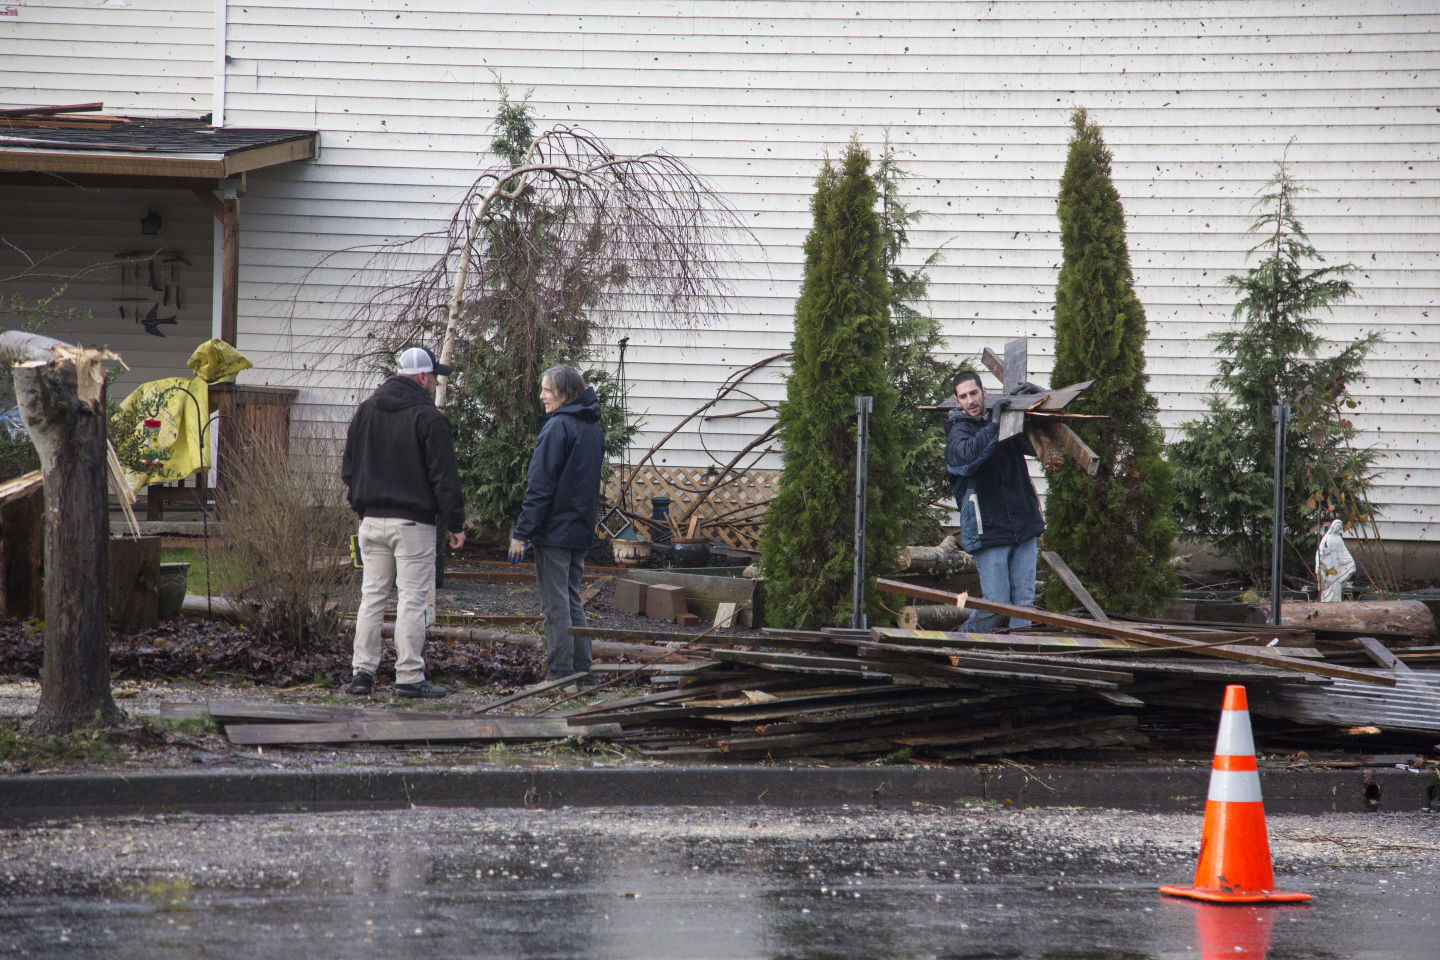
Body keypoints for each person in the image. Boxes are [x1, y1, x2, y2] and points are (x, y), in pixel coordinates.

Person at [341, 345, 466, 698]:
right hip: (412, 525)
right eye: (434, 377)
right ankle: (409, 677)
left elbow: (348, 469)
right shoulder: (429, 419)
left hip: (371, 521)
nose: (435, 384)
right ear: (422, 377)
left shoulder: (366, 411)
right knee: (411, 600)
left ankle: (362, 675)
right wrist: (455, 524)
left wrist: (361, 507)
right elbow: (444, 477)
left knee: (372, 598)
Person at [509, 365, 605, 683]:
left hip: (555, 531)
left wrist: (522, 532)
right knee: (571, 597)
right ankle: (582, 669)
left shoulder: (558, 427)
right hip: (579, 529)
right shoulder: (591, 428)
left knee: (556, 604)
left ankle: (560, 672)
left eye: (546, 390)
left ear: (563, 393)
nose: (541, 396)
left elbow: (540, 485)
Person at [944, 370, 1045, 631]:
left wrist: (1038, 399)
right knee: (995, 605)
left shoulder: (1008, 422)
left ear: (984, 392)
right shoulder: (958, 430)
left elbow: (1040, 444)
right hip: (987, 529)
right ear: (957, 402)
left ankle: (1018, 663)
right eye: (963, 396)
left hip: (1022, 524)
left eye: (974, 393)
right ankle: (956, 650)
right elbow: (966, 461)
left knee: (1023, 605)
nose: (971, 401)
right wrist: (995, 424)